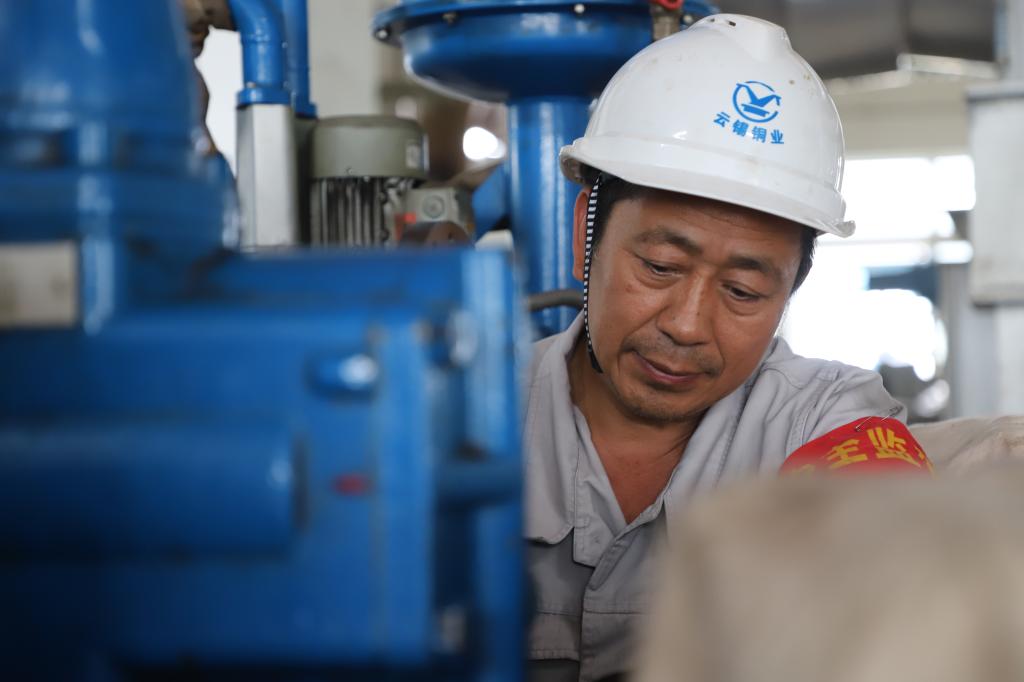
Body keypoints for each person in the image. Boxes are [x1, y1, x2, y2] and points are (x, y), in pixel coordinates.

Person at [522, 13, 932, 681]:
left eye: (743, 291)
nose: (687, 325)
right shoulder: (462, 415)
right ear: (583, 236)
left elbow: (908, 591)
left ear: (790, 289)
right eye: (659, 267)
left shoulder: (822, 418)